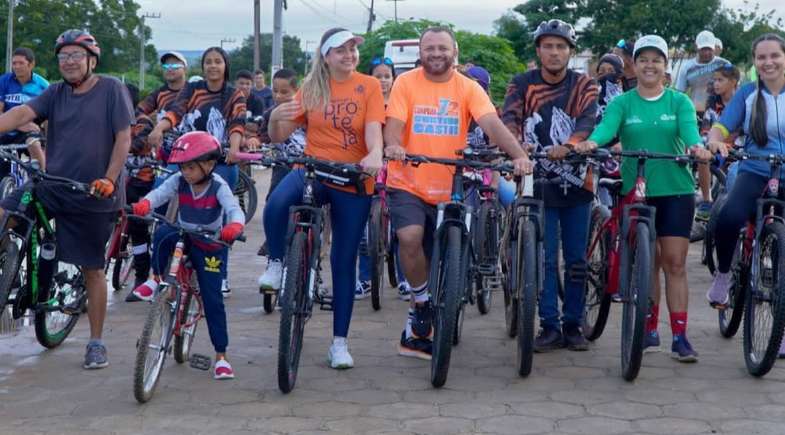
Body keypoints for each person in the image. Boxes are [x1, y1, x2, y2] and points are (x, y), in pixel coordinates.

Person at [384, 26, 532, 360]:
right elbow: (393, 122)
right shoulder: (405, 83)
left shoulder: (467, 88)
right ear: (420, 53)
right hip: (408, 180)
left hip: (452, 183)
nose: (436, 54)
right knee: (409, 238)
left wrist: (518, 154)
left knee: (444, 255)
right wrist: (393, 145)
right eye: (429, 48)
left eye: (442, 48)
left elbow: (492, 123)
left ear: (455, 52)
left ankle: (443, 307)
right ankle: (421, 304)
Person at [0, 30, 135, 369]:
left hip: (95, 192)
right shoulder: (55, 93)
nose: (69, 62)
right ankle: (10, 271)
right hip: (52, 184)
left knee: (92, 269)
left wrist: (109, 177)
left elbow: (123, 138)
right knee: (3, 213)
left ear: (92, 60)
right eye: (63, 57)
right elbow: (20, 116)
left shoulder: (111, 90)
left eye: (76, 55)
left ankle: (96, 342)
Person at [577, 35, 712, 362]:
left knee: (675, 263)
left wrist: (697, 148)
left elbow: (690, 133)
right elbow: (606, 130)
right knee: (646, 261)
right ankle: (648, 329)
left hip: (676, 190)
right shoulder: (622, 103)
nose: (649, 65)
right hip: (635, 191)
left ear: (665, 68)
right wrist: (591, 144)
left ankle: (680, 337)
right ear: (633, 66)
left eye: (656, 60)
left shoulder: (678, 102)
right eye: (643, 60)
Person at [257, 28, 386, 369]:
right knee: (276, 204)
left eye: (352, 50)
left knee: (343, 260)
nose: (349, 55)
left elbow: (374, 129)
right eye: (340, 50)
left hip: (352, 176)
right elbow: (279, 135)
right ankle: (276, 262)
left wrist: (375, 153)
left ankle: (339, 343)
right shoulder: (312, 87)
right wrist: (273, 118)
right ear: (326, 56)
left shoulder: (369, 86)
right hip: (313, 169)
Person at [502, 19, 599, 353]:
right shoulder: (521, 83)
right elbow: (510, 119)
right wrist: (516, 146)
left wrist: (570, 145)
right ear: (538, 50)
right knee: (542, 259)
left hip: (577, 183)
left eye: (561, 46)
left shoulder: (585, 84)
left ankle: (572, 323)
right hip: (535, 183)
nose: (554, 52)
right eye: (548, 46)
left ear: (571, 51)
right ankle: (548, 324)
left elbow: (588, 120)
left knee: (575, 260)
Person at [130, 131, 244, 379]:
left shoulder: (218, 186)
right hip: (184, 235)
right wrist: (146, 204)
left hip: (209, 244)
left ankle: (221, 356)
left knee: (213, 299)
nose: (186, 173)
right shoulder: (179, 181)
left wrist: (234, 227)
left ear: (210, 164)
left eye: (191, 167)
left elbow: (234, 209)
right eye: (183, 167)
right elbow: (159, 194)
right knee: (161, 233)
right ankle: (155, 278)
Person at [705, 35, 785, 360]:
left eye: (775, 56)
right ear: (754, 61)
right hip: (755, 167)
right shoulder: (748, 93)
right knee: (728, 217)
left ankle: (779, 329)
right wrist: (715, 141)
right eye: (761, 57)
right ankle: (724, 274)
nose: (769, 62)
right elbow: (723, 127)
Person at [147, 46, 246, 298]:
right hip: (186, 156)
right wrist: (160, 127)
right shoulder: (192, 89)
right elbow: (176, 112)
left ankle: (219, 276)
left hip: (219, 159)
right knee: (158, 198)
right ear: (202, 66)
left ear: (225, 66)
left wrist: (234, 148)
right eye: (208, 62)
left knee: (219, 216)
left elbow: (236, 123)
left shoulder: (234, 94)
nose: (213, 66)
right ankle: (156, 273)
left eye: (217, 62)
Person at [123, 51, 188, 302]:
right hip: (165, 156)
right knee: (151, 217)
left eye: (175, 64)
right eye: (166, 65)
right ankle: (148, 275)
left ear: (184, 67)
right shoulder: (158, 93)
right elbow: (141, 110)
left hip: (189, 157)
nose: (170, 68)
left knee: (177, 218)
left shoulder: (193, 91)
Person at [355, 57, 409, 300]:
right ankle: (365, 279)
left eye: (387, 75)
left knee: (401, 229)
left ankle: (406, 279)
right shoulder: (365, 102)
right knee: (366, 229)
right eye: (378, 76)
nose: (383, 80)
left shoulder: (401, 102)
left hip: (399, 169)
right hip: (371, 168)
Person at [675, 30, 729, 220]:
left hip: (720, 114)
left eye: (710, 48)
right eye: (703, 49)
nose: (707, 53)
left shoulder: (723, 65)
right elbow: (680, 94)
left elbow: (734, 88)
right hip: (695, 115)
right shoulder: (687, 68)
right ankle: (705, 198)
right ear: (697, 47)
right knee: (699, 152)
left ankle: (724, 193)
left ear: (714, 47)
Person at [255, 68, 305, 258]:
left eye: (284, 92)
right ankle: (272, 240)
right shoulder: (270, 114)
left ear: (296, 91)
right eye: (275, 91)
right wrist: (254, 140)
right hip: (283, 164)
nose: (278, 96)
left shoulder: (306, 111)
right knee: (273, 199)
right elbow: (264, 137)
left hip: (308, 165)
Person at [0, 47, 49, 177]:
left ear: (31, 64)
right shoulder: (3, 82)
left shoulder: (43, 86)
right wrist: (20, 125)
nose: (16, 67)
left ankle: (41, 180)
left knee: (33, 142)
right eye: (14, 63)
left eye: (21, 63)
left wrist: (49, 142)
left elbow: (49, 117)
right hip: (6, 132)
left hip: (31, 132)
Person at [701, 64, 742, 190]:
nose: (716, 84)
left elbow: (740, 128)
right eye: (714, 80)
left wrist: (727, 144)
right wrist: (706, 139)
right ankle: (706, 198)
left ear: (733, 82)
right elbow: (707, 121)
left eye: (720, 80)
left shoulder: (742, 100)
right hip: (714, 143)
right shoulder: (713, 100)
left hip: (738, 146)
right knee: (702, 156)